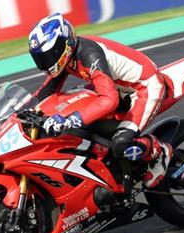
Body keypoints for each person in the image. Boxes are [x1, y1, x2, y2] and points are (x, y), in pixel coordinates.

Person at [28, 13, 173, 188]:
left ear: (64, 45)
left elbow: (109, 100)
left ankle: (158, 151)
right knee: (78, 117)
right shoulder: (66, 58)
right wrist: (18, 112)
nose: (46, 62)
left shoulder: (89, 54)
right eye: (42, 58)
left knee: (120, 143)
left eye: (50, 55)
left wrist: (69, 120)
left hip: (145, 88)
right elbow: (46, 92)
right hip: (118, 88)